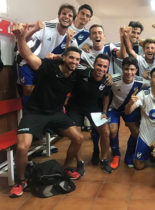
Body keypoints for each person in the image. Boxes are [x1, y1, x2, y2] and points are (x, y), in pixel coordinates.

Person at [10, 24, 85, 197]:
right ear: (63, 58)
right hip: (35, 112)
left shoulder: (75, 75)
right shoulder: (47, 67)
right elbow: (27, 54)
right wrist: (20, 37)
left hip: (56, 114)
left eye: (77, 60)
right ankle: (21, 181)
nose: (74, 62)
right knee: (22, 147)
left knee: (78, 138)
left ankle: (66, 167)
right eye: (71, 58)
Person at [16, 3, 76, 105]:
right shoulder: (47, 26)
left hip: (45, 68)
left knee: (44, 94)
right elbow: (24, 40)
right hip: (29, 61)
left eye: (70, 15)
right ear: (59, 16)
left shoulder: (71, 38)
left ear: (73, 20)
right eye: (64, 13)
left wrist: (67, 44)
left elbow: (69, 59)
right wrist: (35, 29)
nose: (66, 17)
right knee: (27, 91)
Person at [66, 54, 112, 173]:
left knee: (106, 132)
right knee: (77, 136)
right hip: (75, 107)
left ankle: (104, 159)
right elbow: (70, 65)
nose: (101, 69)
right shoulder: (82, 72)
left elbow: (106, 96)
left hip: (94, 108)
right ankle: (80, 162)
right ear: (94, 65)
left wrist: (104, 111)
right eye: (99, 65)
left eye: (105, 67)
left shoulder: (106, 80)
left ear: (107, 68)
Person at [125, 67, 155, 169]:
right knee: (138, 166)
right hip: (145, 134)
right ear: (151, 79)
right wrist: (130, 103)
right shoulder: (143, 94)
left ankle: (151, 154)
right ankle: (139, 152)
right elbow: (128, 111)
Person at [108, 57, 150, 169]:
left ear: (136, 70)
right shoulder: (113, 79)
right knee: (112, 131)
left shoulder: (141, 81)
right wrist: (106, 76)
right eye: (126, 69)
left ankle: (129, 155)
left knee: (136, 133)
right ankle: (116, 154)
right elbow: (102, 81)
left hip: (129, 109)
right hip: (114, 109)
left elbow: (154, 85)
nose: (129, 72)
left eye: (132, 69)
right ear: (122, 69)